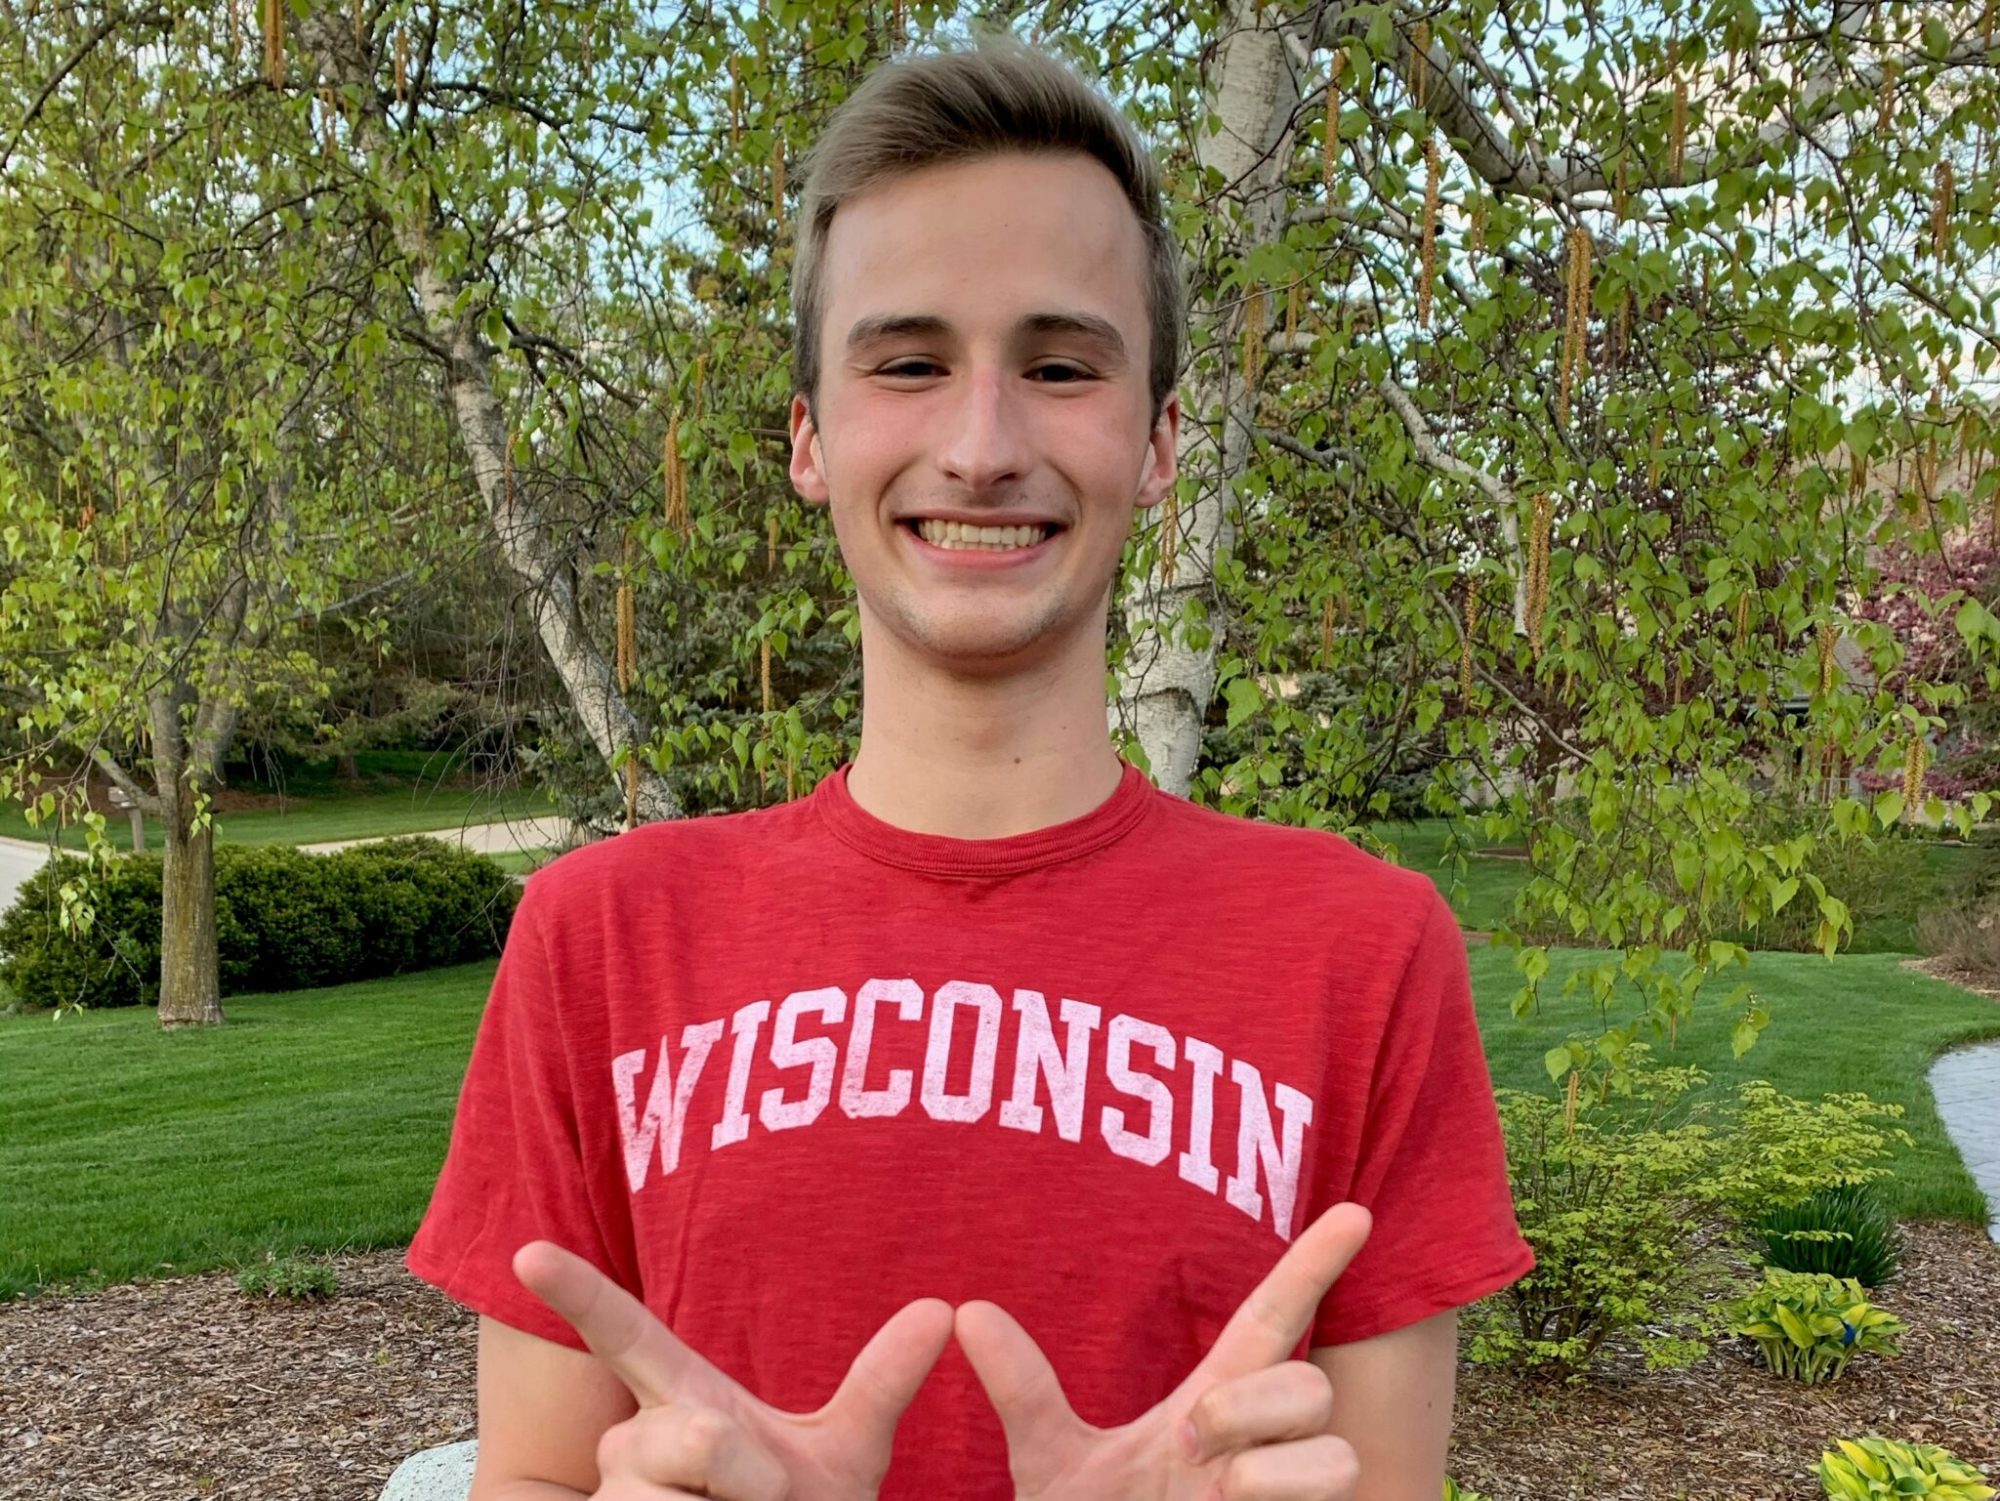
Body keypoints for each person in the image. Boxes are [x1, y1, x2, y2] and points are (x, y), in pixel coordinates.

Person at [407, 34, 1533, 1501]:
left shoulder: (1365, 954)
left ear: (1158, 441)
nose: (985, 443)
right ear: (811, 435)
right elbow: (535, 1478)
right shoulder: (600, 942)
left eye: (1061, 366)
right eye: (911, 363)